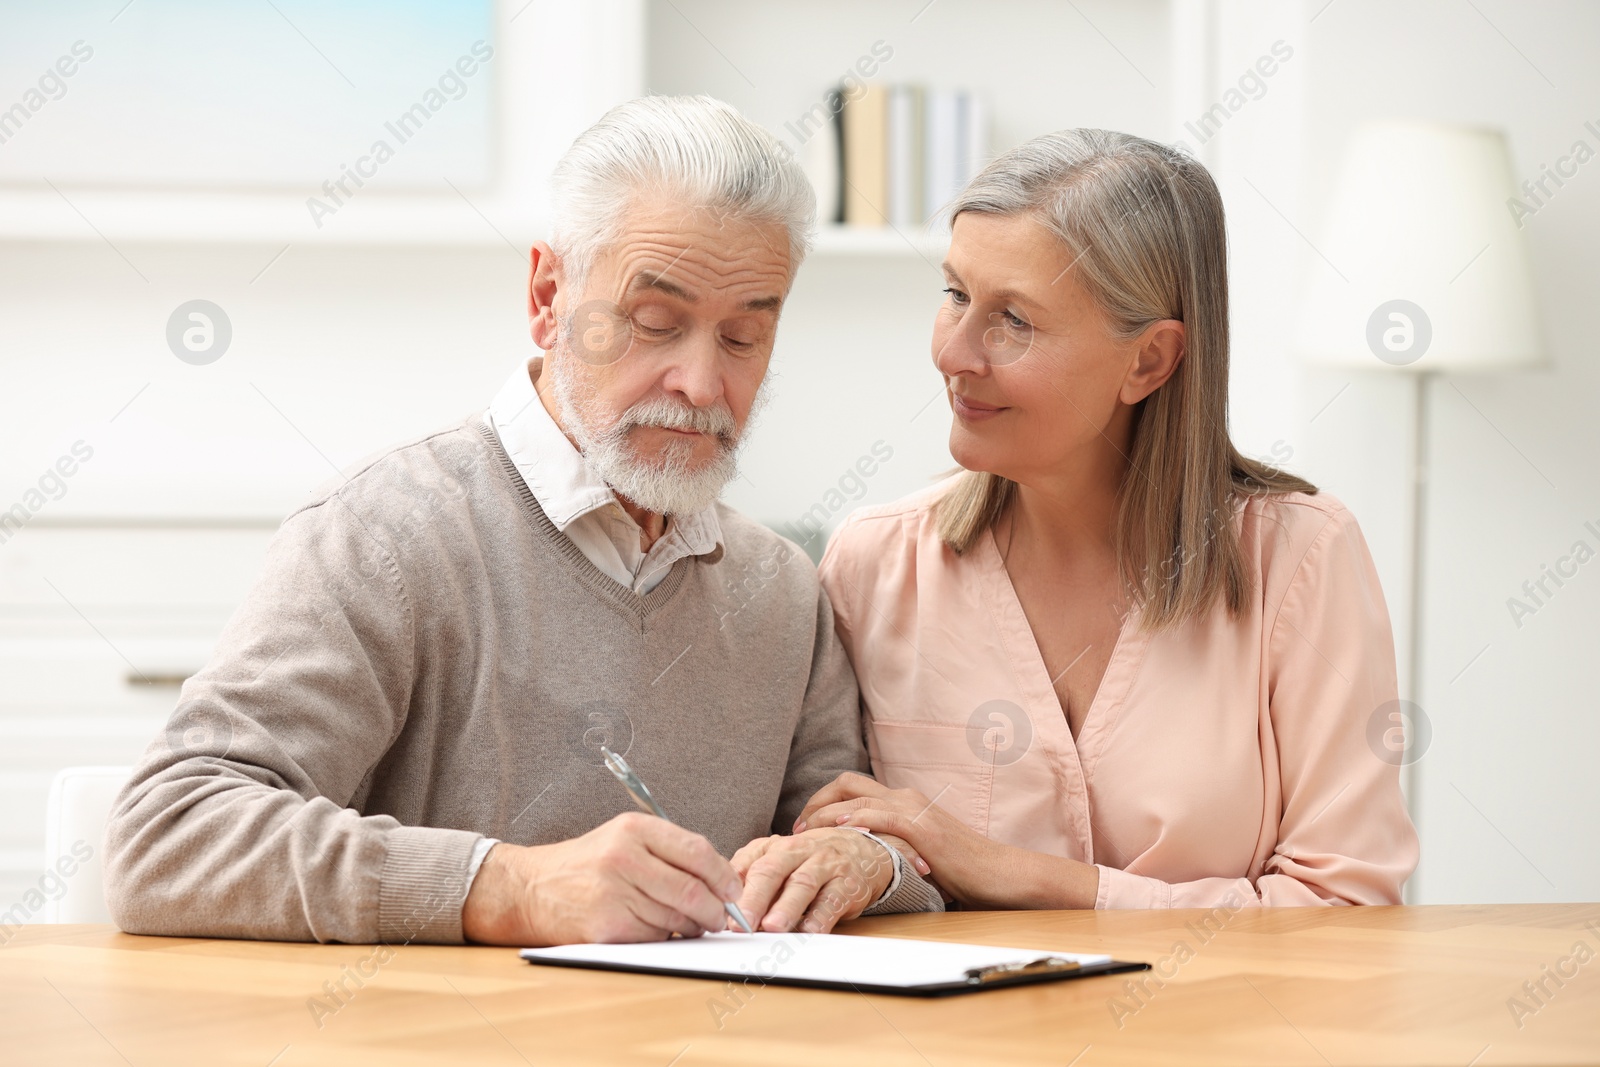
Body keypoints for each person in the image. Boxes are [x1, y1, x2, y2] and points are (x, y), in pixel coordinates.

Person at [103, 95, 939, 948]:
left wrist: (865, 857)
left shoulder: (781, 589)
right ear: (548, 295)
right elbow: (168, 836)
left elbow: (863, 832)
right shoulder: (385, 535)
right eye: (656, 323)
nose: (699, 381)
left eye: (742, 338)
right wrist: (508, 887)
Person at [798, 129, 1420, 909]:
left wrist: (1007, 870)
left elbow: (1347, 910)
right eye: (956, 294)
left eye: (1013, 320)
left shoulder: (1300, 558)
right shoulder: (870, 567)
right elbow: (832, 848)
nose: (954, 353)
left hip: (1217, 1032)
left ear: (1149, 361)